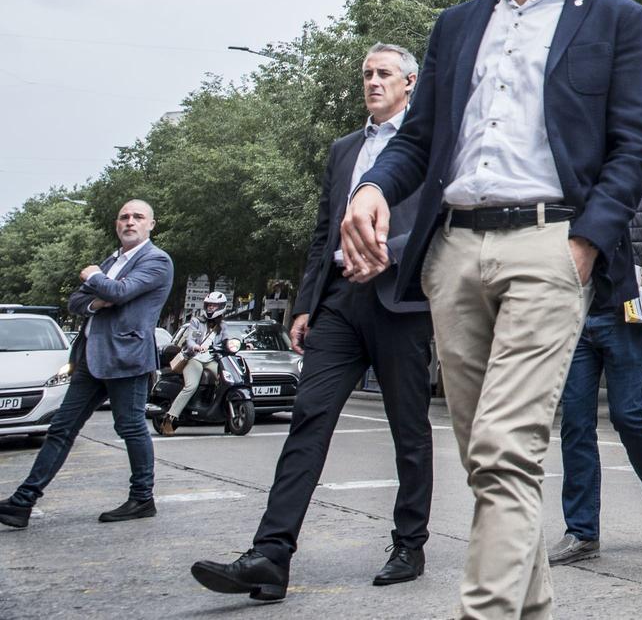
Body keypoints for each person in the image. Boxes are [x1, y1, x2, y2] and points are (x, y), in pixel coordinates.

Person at [339, 0, 642, 620]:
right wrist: (374, 187)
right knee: (485, 460)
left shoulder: (616, 17)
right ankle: (535, 604)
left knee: (507, 447)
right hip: (454, 253)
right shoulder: (456, 25)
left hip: (550, 246)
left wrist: (583, 246)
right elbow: (418, 140)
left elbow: (635, 146)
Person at [191, 44, 435, 602]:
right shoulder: (344, 148)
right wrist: (305, 304)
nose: (373, 82)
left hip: (402, 302)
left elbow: (438, 222)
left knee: (409, 429)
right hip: (339, 305)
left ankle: (409, 543)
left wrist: (390, 253)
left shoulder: (428, 146)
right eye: (367, 74)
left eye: (384, 74)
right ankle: (271, 555)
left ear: (410, 82)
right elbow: (325, 230)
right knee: (309, 418)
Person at [1, 200, 174, 529]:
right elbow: (76, 301)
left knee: (131, 427)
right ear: (116, 224)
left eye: (138, 217)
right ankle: (22, 502)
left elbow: (121, 292)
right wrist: (98, 298)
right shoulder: (113, 260)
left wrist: (96, 277)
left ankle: (142, 498)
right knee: (61, 429)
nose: (130, 222)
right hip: (90, 358)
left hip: (126, 358)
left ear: (151, 224)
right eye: (124, 217)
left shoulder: (157, 260)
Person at [550, 162, 642, 566]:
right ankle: (581, 531)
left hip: (629, 310)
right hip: (577, 310)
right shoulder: (570, 175)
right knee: (575, 421)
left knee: (628, 413)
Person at [161, 289, 231, 433]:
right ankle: (169, 418)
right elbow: (190, 340)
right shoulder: (196, 321)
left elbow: (227, 342)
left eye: (214, 306)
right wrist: (195, 347)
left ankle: (223, 414)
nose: (211, 308)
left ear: (221, 307)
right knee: (191, 386)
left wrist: (241, 345)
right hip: (195, 359)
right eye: (209, 305)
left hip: (212, 359)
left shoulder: (223, 326)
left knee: (226, 381)